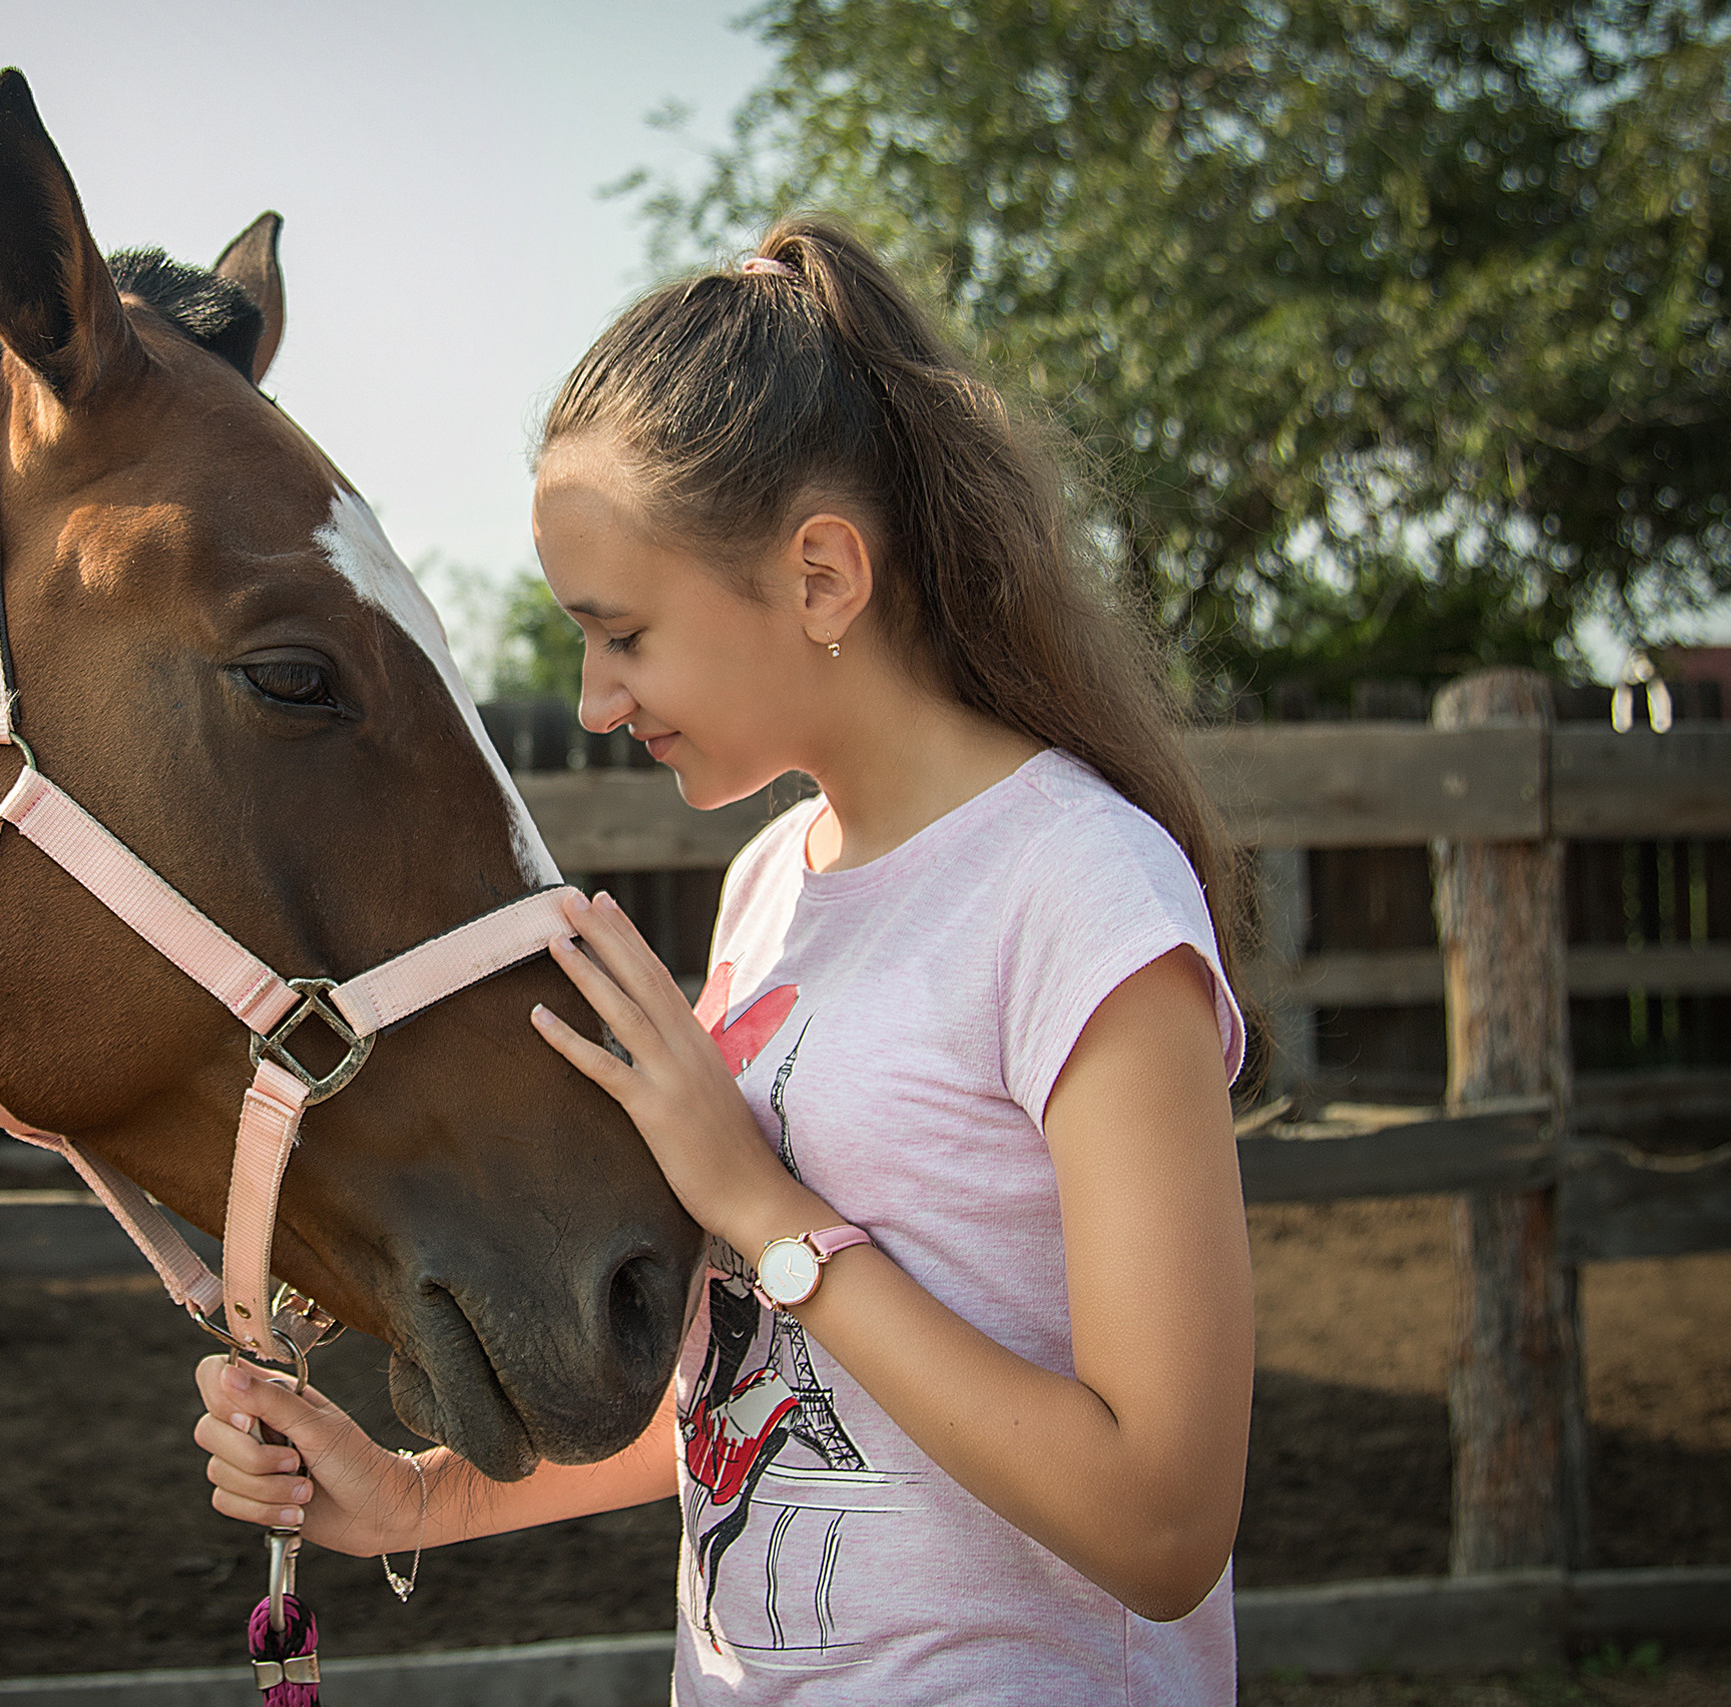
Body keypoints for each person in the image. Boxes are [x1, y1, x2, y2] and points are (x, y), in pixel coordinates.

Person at [193, 215, 1254, 1704]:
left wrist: (762, 1210)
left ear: (821, 576)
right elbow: (763, 1383)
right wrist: (422, 1497)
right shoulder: (772, 888)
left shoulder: (1083, 896)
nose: (597, 697)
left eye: (621, 633)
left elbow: (1163, 1524)